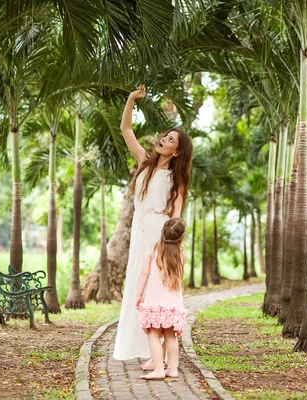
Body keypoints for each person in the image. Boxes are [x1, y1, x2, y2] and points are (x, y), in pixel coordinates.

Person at [112, 85, 193, 363]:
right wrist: (131, 100)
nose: (163, 139)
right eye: (164, 136)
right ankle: (147, 350)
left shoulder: (176, 181)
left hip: (159, 235)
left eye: (170, 139)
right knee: (138, 285)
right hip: (140, 228)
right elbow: (126, 130)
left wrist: (169, 247)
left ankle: (160, 354)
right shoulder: (144, 164)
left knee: (157, 291)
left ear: (177, 152)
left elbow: (176, 217)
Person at [135, 218, 188, 380]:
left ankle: (158, 369)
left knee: (153, 334)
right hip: (173, 305)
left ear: (163, 232)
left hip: (154, 302)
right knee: (171, 336)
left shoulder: (154, 250)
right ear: (181, 237)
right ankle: (172, 369)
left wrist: (138, 294)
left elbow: (144, 273)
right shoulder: (181, 254)